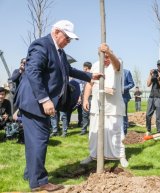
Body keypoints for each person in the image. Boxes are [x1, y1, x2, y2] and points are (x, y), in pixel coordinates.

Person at [14, 20, 102, 191]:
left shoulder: (59, 51)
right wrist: (44, 99)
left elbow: (69, 70)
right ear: (56, 32)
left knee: (36, 141)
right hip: (34, 102)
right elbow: (33, 72)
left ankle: (30, 174)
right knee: (39, 141)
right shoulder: (42, 45)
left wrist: (90, 76)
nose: (68, 41)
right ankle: (39, 182)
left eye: (70, 39)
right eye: (66, 37)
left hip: (39, 104)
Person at [80, 43, 128, 168]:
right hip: (97, 104)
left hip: (113, 106)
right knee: (94, 132)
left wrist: (109, 53)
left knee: (116, 132)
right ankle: (93, 155)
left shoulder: (117, 63)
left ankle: (121, 155)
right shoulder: (95, 66)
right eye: (103, 57)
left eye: (107, 56)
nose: (106, 59)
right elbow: (89, 84)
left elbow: (117, 65)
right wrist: (85, 99)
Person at [146, 59, 160, 134]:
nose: (159, 66)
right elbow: (148, 84)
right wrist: (150, 74)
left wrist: (159, 80)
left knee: (159, 117)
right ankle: (148, 130)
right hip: (151, 97)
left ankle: (159, 132)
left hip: (159, 98)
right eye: (158, 65)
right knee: (148, 115)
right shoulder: (154, 74)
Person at [80, 62, 93, 135]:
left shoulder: (92, 75)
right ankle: (84, 130)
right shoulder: (83, 76)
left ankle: (91, 129)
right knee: (84, 114)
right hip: (84, 97)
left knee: (91, 114)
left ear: (85, 67)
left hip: (91, 97)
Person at [122, 68, 135, 135]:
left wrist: (123, 88)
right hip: (113, 96)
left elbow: (132, 84)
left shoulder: (126, 72)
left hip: (123, 97)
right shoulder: (112, 72)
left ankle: (124, 131)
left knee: (123, 114)